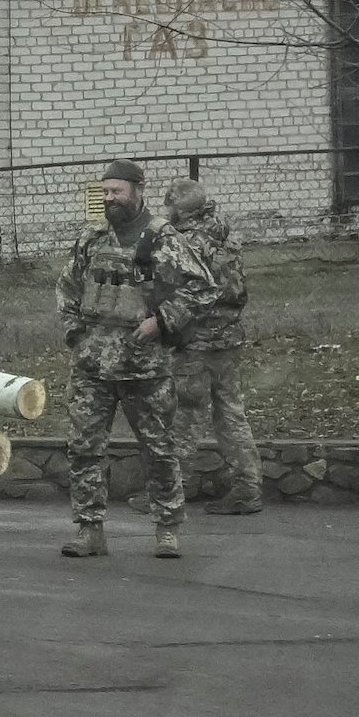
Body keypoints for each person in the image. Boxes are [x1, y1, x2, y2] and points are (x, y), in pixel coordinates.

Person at [55, 158, 218, 559]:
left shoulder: (161, 238)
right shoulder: (92, 237)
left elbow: (203, 288)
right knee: (85, 448)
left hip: (144, 366)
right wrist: (74, 330)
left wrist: (161, 322)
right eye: (105, 191)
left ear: (138, 191)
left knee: (159, 450)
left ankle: (167, 530)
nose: (110, 199)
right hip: (93, 367)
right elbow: (68, 285)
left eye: (117, 191)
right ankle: (89, 529)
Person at [162, 178, 263, 516]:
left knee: (185, 415)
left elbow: (177, 289)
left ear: (178, 210)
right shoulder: (227, 237)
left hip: (196, 341)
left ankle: (172, 489)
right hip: (229, 338)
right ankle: (248, 487)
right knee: (231, 413)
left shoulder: (186, 243)